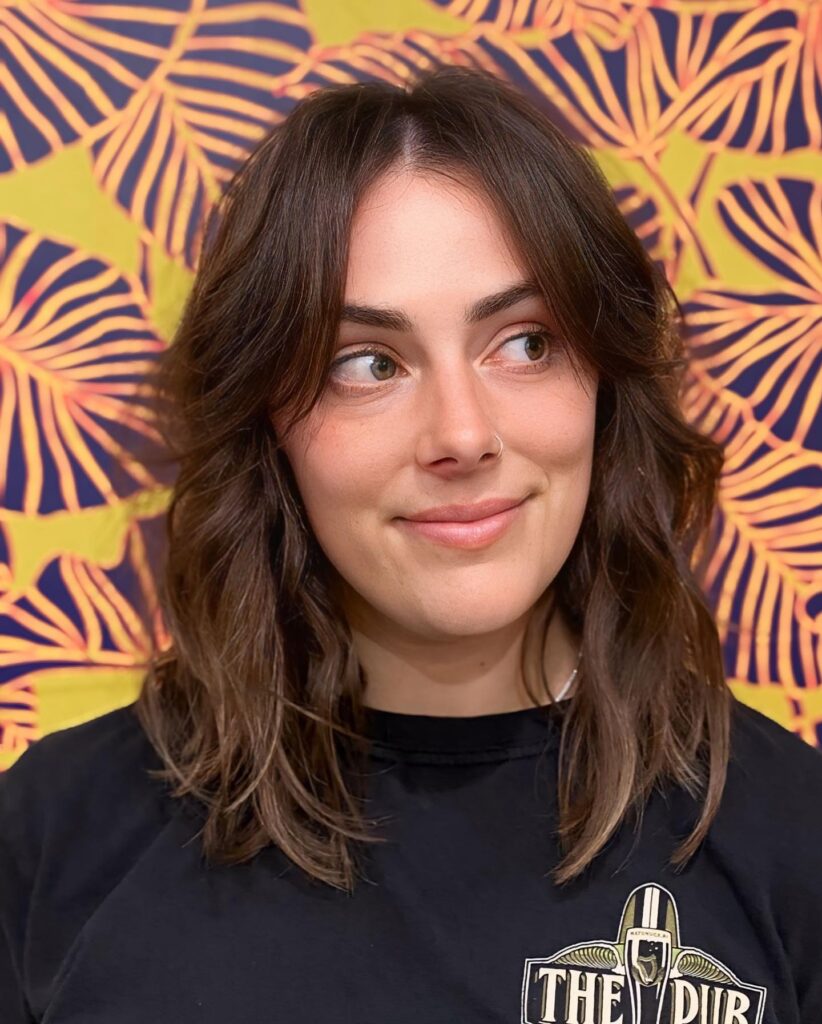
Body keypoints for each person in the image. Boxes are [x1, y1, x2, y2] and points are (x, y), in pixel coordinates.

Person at [1, 65, 820, 1024]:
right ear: (267, 422)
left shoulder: (790, 836)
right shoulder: (52, 835)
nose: (462, 435)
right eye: (369, 363)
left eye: (526, 342)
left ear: (605, 381)